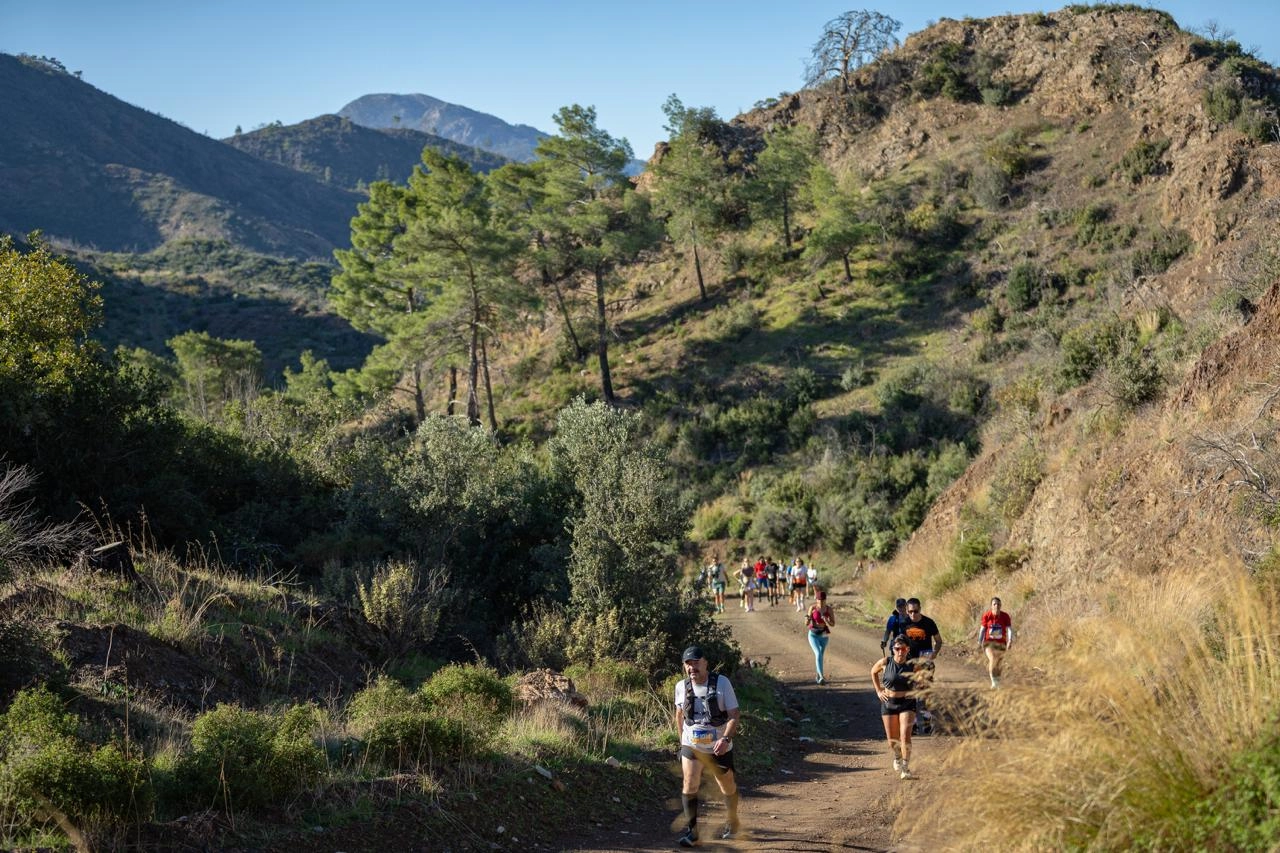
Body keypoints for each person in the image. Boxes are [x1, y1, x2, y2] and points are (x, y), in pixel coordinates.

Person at [674, 645, 742, 846]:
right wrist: (682, 742)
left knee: (726, 785)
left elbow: (734, 715)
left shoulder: (722, 683)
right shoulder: (681, 686)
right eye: (688, 664)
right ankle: (693, 833)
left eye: (696, 663)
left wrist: (725, 739)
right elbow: (679, 715)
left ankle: (733, 821)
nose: (692, 667)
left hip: (719, 745)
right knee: (689, 782)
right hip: (692, 744)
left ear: (706, 663)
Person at [871, 635, 919, 779]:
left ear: (908, 649)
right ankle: (897, 755)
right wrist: (879, 691)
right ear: (893, 649)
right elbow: (873, 672)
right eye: (897, 649)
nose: (900, 652)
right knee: (892, 741)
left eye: (903, 649)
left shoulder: (913, 665)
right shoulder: (885, 662)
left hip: (907, 703)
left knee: (904, 735)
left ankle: (905, 768)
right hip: (889, 703)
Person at [901, 597, 942, 734]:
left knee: (925, 693)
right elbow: (899, 642)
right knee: (910, 693)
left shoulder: (929, 623)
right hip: (909, 663)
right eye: (910, 611)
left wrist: (935, 653)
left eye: (916, 611)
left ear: (920, 609)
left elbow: (938, 640)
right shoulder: (904, 623)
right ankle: (912, 724)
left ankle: (926, 721)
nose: (913, 614)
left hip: (925, 663)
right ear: (907, 611)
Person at [978, 596, 1014, 688]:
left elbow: (1009, 629)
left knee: (998, 663)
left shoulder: (1005, 616)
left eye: (998, 604)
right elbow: (982, 630)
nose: (996, 606)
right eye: (994, 604)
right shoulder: (987, 616)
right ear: (991, 606)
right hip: (989, 643)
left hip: (1001, 643)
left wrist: (1010, 640)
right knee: (993, 658)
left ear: (1001, 605)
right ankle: (993, 682)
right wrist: (979, 642)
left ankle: (997, 682)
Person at [806, 587, 835, 684]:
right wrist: (808, 618)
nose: (821, 602)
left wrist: (827, 620)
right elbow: (806, 623)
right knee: (818, 653)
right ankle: (822, 677)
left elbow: (833, 624)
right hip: (813, 635)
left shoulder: (829, 609)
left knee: (820, 656)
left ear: (825, 600)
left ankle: (818, 676)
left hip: (824, 635)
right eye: (819, 600)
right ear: (816, 599)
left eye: (822, 600)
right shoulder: (813, 608)